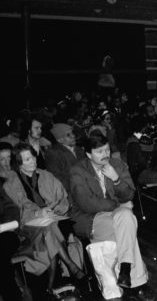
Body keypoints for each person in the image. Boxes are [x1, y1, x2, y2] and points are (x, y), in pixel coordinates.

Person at [69, 133, 154, 299]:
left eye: (107, 149)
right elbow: (87, 204)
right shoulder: (77, 171)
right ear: (88, 154)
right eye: (99, 151)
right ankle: (135, 279)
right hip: (90, 219)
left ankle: (124, 272)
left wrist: (115, 179)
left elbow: (129, 194)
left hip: (116, 217)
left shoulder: (117, 165)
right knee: (127, 225)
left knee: (127, 219)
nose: (105, 154)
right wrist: (118, 205)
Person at [3, 143, 87, 293]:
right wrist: (37, 214)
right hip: (27, 226)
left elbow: (63, 199)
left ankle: (51, 285)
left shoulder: (46, 175)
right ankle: (70, 265)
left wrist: (53, 210)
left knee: (49, 227)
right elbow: (15, 212)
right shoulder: (11, 184)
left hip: (53, 219)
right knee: (49, 228)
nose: (33, 161)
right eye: (27, 159)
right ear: (19, 163)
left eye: (33, 157)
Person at [45, 123, 86, 193]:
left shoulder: (79, 150)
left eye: (72, 133)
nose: (73, 136)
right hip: (70, 192)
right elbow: (57, 178)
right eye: (68, 135)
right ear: (60, 140)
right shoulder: (53, 153)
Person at [0, 183, 23, 301]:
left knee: (3, 247)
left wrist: (5, 224)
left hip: (3, 234)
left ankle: (11, 295)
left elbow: (12, 208)